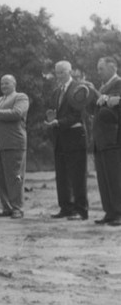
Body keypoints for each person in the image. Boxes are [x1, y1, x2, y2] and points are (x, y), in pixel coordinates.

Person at [45, 61, 89, 220]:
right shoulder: (56, 92)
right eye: (57, 72)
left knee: (77, 176)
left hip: (75, 137)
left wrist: (59, 122)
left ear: (70, 71)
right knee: (62, 175)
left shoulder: (79, 88)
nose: (59, 75)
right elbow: (54, 111)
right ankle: (66, 207)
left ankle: (81, 210)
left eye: (62, 72)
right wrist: (51, 118)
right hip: (60, 138)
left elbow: (78, 114)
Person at [0, 75, 29, 219]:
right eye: (2, 83)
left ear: (14, 84)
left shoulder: (21, 97)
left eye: (7, 83)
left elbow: (17, 113)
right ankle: (7, 207)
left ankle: (17, 208)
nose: (3, 86)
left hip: (13, 142)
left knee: (14, 176)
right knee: (0, 177)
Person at [92, 57, 121, 226]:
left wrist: (110, 100)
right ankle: (109, 211)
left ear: (112, 68)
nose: (98, 72)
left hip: (113, 138)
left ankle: (118, 212)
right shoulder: (102, 87)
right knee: (104, 177)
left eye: (101, 68)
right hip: (100, 139)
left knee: (115, 176)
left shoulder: (119, 83)